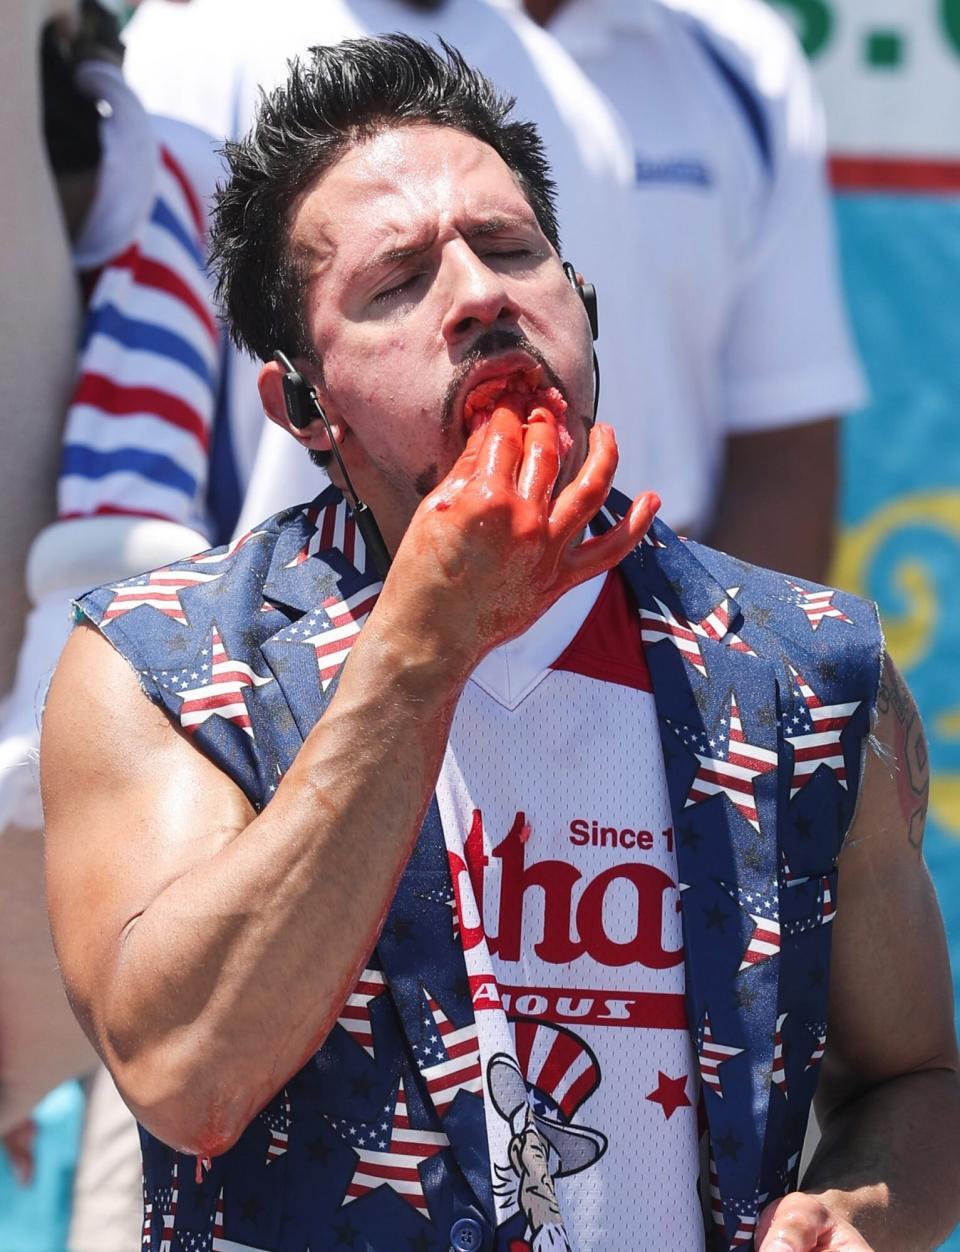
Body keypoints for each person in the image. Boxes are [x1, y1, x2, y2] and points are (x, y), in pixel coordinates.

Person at [41, 35, 959, 1252]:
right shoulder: (163, 666)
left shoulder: (807, 672)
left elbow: (918, 1083)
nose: (480, 295)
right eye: (397, 280)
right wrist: (424, 643)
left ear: (588, 306)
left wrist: (855, 1220)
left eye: (515, 249)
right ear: (302, 406)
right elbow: (187, 1074)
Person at [512, 0, 866, 578]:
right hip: (342, 633)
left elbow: (783, 446)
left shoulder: (745, 62)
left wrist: (717, 657)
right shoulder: (314, 39)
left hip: (667, 633)